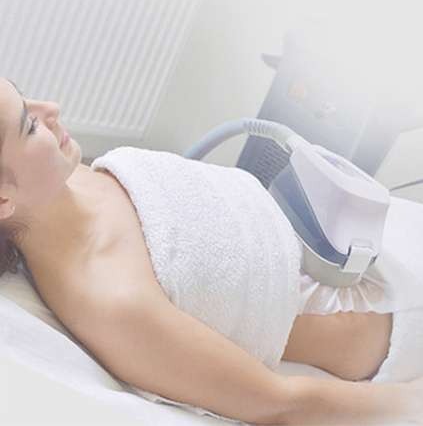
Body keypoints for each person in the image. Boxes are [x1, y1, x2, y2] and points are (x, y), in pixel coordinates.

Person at [0, 77, 421, 425]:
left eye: (27, 97)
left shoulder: (73, 177)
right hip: (399, 329)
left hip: (378, 245)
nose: (51, 108)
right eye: (29, 126)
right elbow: (277, 402)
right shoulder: (111, 298)